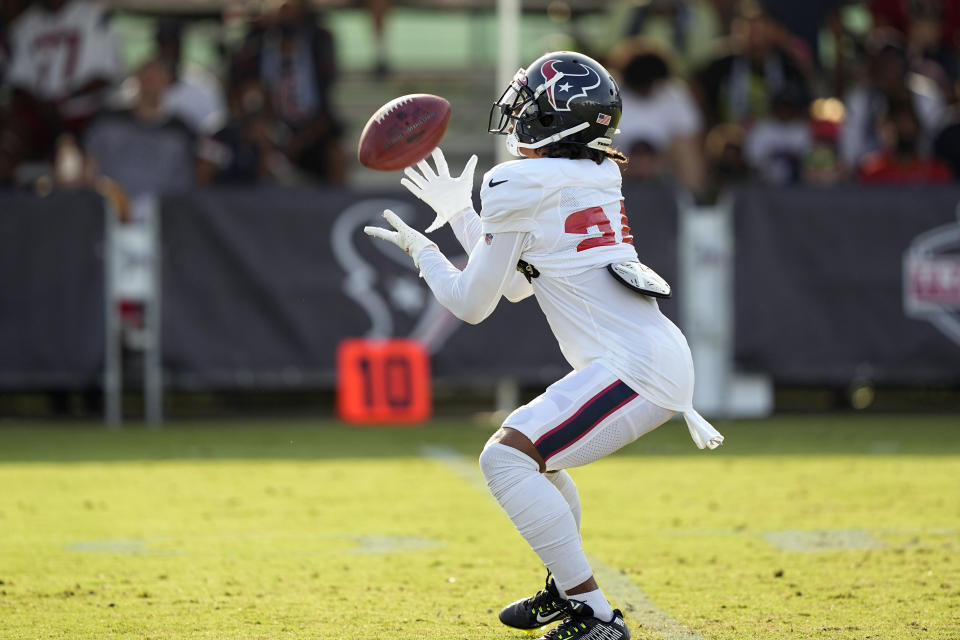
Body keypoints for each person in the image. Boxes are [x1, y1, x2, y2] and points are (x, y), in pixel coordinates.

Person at [364, 51, 723, 640]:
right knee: (533, 458)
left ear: (555, 121)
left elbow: (474, 303)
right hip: (644, 357)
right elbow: (511, 286)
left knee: (504, 459)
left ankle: (596, 616)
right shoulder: (597, 172)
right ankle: (566, 586)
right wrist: (460, 214)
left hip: (635, 369)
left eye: (528, 105)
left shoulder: (517, 181)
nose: (517, 115)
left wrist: (424, 254)